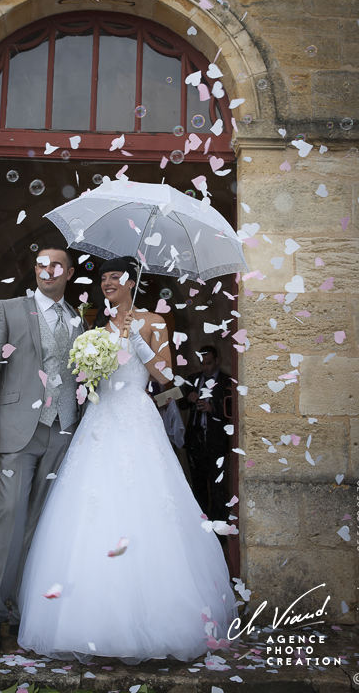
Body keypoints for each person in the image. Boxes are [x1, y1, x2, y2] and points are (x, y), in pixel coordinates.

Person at [17, 257, 237, 663]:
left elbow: (165, 378)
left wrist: (138, 341)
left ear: (131, 282)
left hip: (137, 416)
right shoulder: (96, 330)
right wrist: (87, 368)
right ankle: (85, 621)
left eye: (114, 277)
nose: (106, 283)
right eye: (102, 278)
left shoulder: (154, 321)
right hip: (101, 419)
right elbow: (90, 381)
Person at [0, 246, 87, 653]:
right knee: (9, 518)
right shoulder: (9, 309)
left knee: (41, 525)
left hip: (63, 430)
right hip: (18, 429)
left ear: (69, 272)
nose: (46, 270)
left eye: (55, 265)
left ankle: (24, 611)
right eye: (41, 264)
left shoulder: (78, 318)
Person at [178, 346, 232, 523]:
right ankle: (201, 527)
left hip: (216, 441)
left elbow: (232, 411)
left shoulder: (226, 381)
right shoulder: (193, 379)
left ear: (217, 360)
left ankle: (219, 530)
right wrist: (188, 398)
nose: (206, 368)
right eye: (202, 364)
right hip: (195, 440)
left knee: (218, 488)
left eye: (209, 363)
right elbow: (181, 405)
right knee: (198, 486)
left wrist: (212, 408)